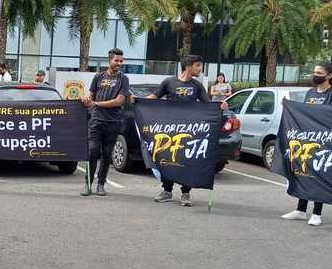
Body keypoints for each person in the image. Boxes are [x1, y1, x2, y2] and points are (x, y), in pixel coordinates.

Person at [147, 55, 228, 206]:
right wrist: (139, 101)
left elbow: (208, 105)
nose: (200, 69)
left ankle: (186, 193)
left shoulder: (197, 86)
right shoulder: (169, 82)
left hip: (190, 130)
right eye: (198, 66)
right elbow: (154, 96)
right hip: (170, 130)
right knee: (168, 160)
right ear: (188, 67)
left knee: (187, 161)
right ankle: (167, 191)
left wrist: (220, 106)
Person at [281, 61, 332, 227]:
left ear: (329, 76)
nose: (315, 75)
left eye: (318, 72)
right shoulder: (310, 92)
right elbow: (304, 114)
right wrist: (289, 107)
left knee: (318, 175)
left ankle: (317, 213)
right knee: (303, 172)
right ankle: (301, 210)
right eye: (314, 72)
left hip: (324, 143)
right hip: (307, 140)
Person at [80, 48, 130, 197]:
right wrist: (86, 100)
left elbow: (119, 101)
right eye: (117, 61)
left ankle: (101, 184)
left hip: (113, 122)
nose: (119, 63)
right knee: (92, 152)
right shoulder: (98, 76)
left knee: (107, 155)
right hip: (96, 121)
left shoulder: (123, 79)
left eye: (121, 61)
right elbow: (91, 97)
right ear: (110, 60)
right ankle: (88, 184)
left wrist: (96, 104)